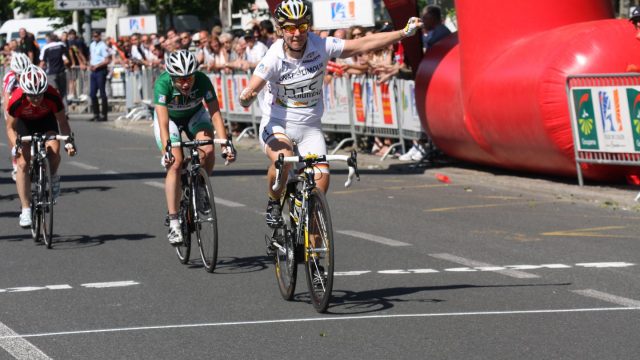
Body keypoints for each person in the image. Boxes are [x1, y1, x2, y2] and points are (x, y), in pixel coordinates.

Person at [238, 0, 422, 244]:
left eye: (302, 27)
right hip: (278, 125)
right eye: (290, 28)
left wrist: (402, 33)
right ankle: (274, 201)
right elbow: (252, 87)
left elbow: (361, 44)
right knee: (284, 160)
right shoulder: (274, 56)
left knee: (319, 188)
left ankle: (315, 260)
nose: (296, 34)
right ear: (281, 29)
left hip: (310, 128)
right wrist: (247, 96)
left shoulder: (321, 45)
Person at [153, 50, 235, 245]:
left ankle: (200, 188)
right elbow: (163, 123)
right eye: (180, 80)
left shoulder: (202, 80)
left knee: (207, 149)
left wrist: (225, 144)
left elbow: (215, 113)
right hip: (170, 121)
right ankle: (174, 222)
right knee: (176, 162)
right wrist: (167, 149)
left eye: (189, 78)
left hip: (195, 115)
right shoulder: (162, 83)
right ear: (172, 77)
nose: (185, 83)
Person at [5, 65, 76, 227]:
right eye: (32, 96)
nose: (36, 99)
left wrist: (69, 142)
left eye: (39, 95)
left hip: (46, 121)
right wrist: (15, 145)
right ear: (24, 92)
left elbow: (63, 122)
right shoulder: (17, 99)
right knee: (23, 163)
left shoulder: (53, 96)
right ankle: (25, 209)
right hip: (24, 124)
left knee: (54, 150)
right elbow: (10, 127)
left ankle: (53, 176)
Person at [3, 53, 32, 182]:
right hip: (13, 105)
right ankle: (15, 162)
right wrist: (6, 115)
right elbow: (6, 96)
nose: (21, 77)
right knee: (12, 129)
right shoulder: (9, 77)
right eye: (18, 75)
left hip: (27, 105)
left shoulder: (31, 73)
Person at [39, 33, 69, 107]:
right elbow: (66, 57)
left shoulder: (46, 48)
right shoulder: (61, 45)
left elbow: (42, 62)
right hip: (61, 71)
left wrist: (38, 72)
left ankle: (55, 110)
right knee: (63, 92)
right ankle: (65, 112)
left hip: (51, 73)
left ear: (48, 39)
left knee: (53, 92)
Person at [89, 30, 111, 122]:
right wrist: (89, 64)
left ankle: (104, 114)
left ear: (100, 36)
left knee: (102, 93)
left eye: (96, 36)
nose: (95, 37)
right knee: (92, 94)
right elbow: (91, 56)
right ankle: (96, 114)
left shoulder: (103, 45)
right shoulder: (92, 44)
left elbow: (107, 60)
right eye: (93, 36)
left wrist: (97, 66)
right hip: (93, 70)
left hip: (100, 70)